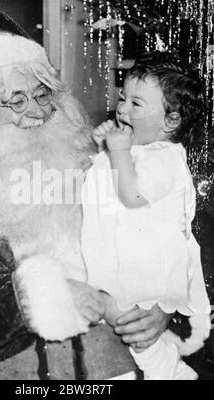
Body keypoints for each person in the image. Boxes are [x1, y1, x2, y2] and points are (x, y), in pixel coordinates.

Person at [0, 13, 183, 380]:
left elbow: (174, 240)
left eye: (43, 95)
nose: (39, 112)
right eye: (16, 101)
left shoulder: (102, 173)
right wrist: (35, 297)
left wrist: (164, 308)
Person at [81, 52, 211, 380]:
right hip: (123, 263)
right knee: (122, 325)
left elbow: (131, 194)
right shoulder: (140, 150)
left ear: (171, 121)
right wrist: (105, 151)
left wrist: (118, 150)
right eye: (123, 98)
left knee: (131, 327)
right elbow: (105, 189)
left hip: (147, 272)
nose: (122, 109)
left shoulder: (165, 159)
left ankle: (172, 372)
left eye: (136, 105)